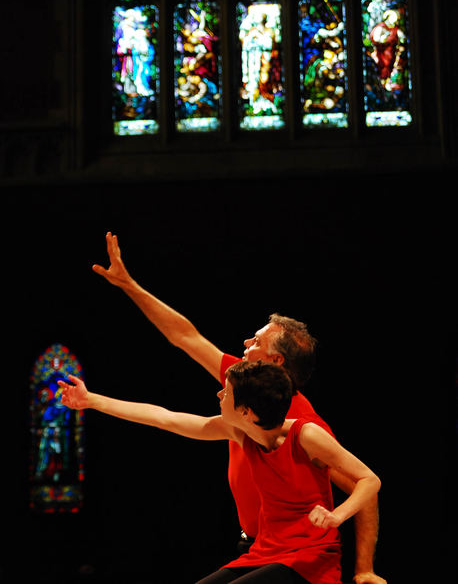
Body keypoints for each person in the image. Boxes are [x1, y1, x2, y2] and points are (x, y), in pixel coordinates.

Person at [92, 232, 386, 584]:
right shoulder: (240, 401)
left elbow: (364, 485)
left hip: (300, 558)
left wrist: (364, 569)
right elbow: (184, 340)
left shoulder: (302, 427)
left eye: (256, 341)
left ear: (275, 361)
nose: (245, 343)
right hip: (259, 549)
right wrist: (130, 285)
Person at [58, 360, 381, 584]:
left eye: (225, 392)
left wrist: (337, 516)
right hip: (267, 551)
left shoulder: (306, 436)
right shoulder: (242, 433)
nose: (218, 394)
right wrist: (92, 400)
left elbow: (369, 479)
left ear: (246, 411)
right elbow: (165, 418)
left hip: (310, 557)